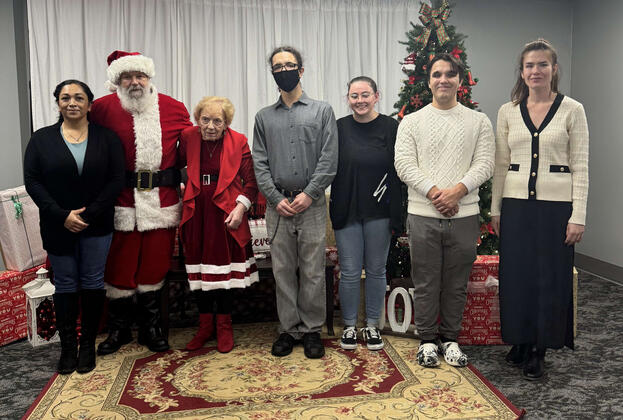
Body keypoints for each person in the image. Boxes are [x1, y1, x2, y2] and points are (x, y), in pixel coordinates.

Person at [491, 39, 589, 380]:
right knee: (516, 276)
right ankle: (519, 339)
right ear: (522, 72)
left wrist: (578, 215)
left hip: (555, 210)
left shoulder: (572, 110)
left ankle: (539, 348)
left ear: (554, 69)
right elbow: (501, 165)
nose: (536, 71)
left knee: (549, 278)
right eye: (530, 65)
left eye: (542, 65)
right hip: (516, 207)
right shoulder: (507, 111)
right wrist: (495, 210)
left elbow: (581, 166)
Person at [395, 53, 494, 368]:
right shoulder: (411, 121)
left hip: (464, 216)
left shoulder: (478, 121)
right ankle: (426, 341)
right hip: (423, 215)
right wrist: (436, 193)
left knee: (456, 282)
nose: (443, 80)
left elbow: (486, 163)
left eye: (450, 74)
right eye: (437, 74)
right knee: (425, 281)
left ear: (460, 81)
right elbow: (404, 164)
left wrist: (457, 192)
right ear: (428, 81)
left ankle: (450, 339)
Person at [90, 51, 192, 354]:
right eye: (127, 76)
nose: (134, 82)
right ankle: (119, 330)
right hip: (119, 202)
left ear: (149, 77)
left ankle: (151, 329)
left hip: (161, 202)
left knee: (154, 267)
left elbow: (191, 148)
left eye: (140, 75)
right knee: (118, 268)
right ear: (117, 80)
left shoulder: (173, 108)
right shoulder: (101, 109)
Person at [24, 80, 125, 374]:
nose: (72, 102)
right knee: (66, 284)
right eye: (65, 97)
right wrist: (61, 215)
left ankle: (87, 346)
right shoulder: (41, 139)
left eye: (79, 97)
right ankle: (68, 347)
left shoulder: (107, 138)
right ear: (57, 103)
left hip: (97, 223)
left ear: (89, 104)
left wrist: (89, 213)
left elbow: (116, 179)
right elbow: (33, 181)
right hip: (58, 225)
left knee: (93, 282)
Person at [252, 46, 338, 359]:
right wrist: (275, 198)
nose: (284, 70)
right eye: (278, 66)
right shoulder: (263, 118)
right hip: (278, 207)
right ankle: (288, 330)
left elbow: (329, 158)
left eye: (290, 65)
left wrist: (309, 193)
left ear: (301, 70)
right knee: (284, 271)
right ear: (273, 74)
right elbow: (259, 163)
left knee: (313, 270)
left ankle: (312, 330)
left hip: (312, 204)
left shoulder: (322, 111)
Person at [179, 96, 259, 353]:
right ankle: (205, 328)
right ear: (197, 120)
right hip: (197, 212)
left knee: (222, 274)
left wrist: (240, 208)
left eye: (217, 121)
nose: (210, 126)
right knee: (201, 272)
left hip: (226, 212)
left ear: (226, 123)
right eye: (205, 119)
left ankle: (224, 327)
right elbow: (175, 164)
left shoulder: (239, 141)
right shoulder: (188, 137)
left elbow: (251, 182)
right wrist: (179, 185)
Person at [329, 76, 401, 351]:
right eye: (354, 96)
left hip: (380, 210)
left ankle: (372, 325)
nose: (359, 100)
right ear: (348, 98)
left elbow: (399, 169)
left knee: (376, 270)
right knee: (348, 271)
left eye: (365, 95)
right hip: (347, 208)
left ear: (376, 96)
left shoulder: (390, 126)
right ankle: (349, 326)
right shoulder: (338, 128)